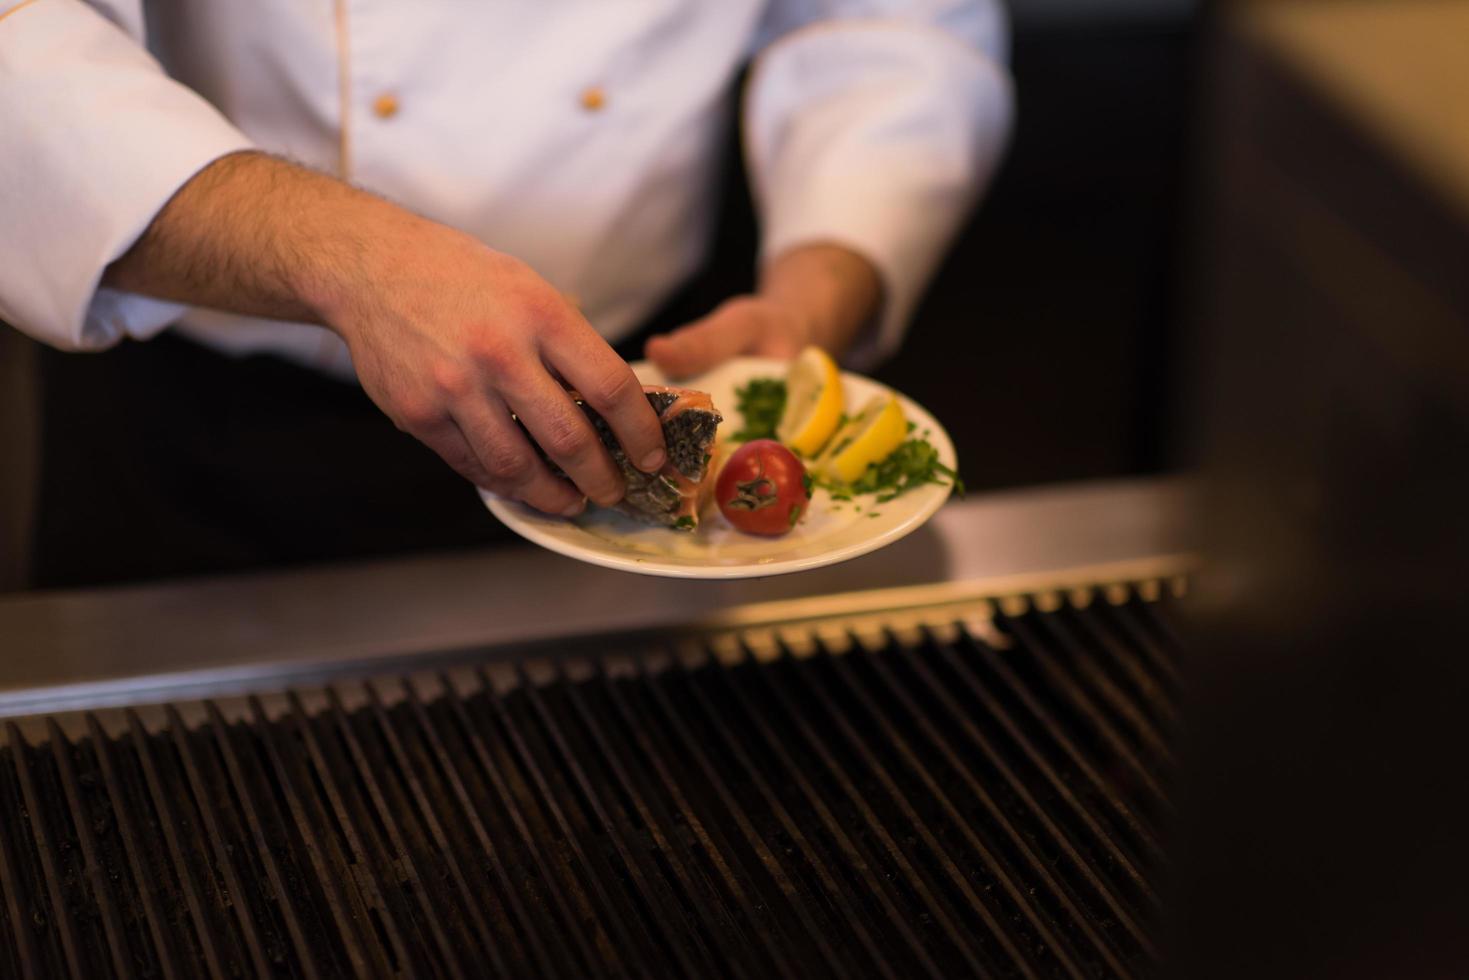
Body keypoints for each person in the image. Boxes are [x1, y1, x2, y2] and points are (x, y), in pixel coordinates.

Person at [0, 0, 1013, 586]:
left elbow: (886, 25)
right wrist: (350, 256)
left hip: (649, 424)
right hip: (215, 452)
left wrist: (812, 293)